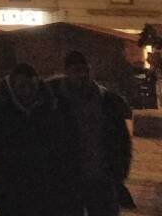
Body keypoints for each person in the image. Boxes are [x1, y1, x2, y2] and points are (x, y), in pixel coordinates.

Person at [0, 63, 80, 216]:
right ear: (13, 86)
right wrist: (3, 148)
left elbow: (62, 140)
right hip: (9, 183)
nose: (28, 91)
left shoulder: (50, 107)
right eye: (22, 86)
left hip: (42, 184)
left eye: (32, 86)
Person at [47, 51, 132, 216]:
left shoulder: (107, 101)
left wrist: (119, 173)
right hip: (69, 178)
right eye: (76, 70)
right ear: (67, 72)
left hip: (102, 178)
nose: (81, 75)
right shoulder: (55, 101)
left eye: (84, 70)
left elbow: (122, 140)